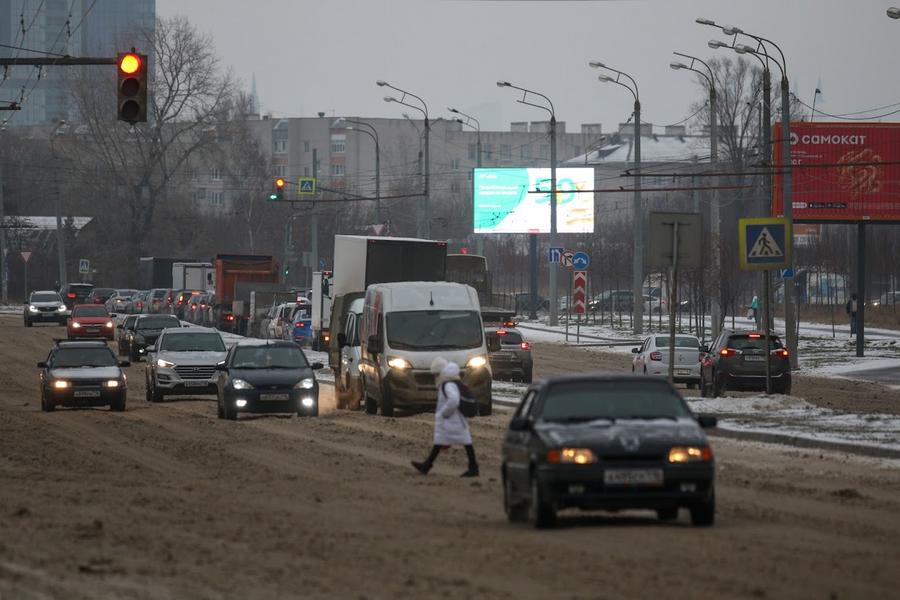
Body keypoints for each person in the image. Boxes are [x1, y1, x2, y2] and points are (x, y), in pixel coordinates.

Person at [411, 358, 479, 477]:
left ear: (440, 373)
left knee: (446, 441)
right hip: (455, 419)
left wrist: (444, 413)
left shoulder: (448, 384)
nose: (434, 377)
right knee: (456, 442)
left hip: (452, 419)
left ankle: (427, 465)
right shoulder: (450, 382)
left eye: (435, 374)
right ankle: (427, 465)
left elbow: (453, 400)